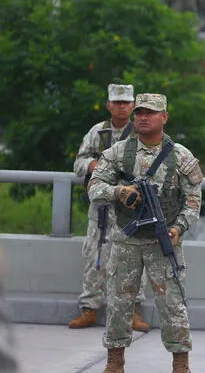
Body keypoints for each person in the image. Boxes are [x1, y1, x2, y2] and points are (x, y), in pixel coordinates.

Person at [88, 93, 202, 373]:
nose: (142, 117)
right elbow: (94, 188)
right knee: (118, 303)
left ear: (164, 117)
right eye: (139, 112)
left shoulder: (180, 156)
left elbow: (193, 201)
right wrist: (118, 191)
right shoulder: (118, 152)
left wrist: (178, 228)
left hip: (163, 242)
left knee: (173, 305)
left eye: (150, 113)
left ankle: (181, 364)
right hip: (125, 241)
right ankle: (115, 361)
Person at [69, 83, 150, 332]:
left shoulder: (141, 132)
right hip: (102, 203)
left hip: (131, 206)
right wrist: (92, 165)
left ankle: (134, 310)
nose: (122, 106)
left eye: (126, 102)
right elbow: (79, 162)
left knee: (135, 257)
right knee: (95, 255)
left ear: (133, 105)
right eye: (117, 102)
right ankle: (90, 308)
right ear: (109, 105)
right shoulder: (98, 132)